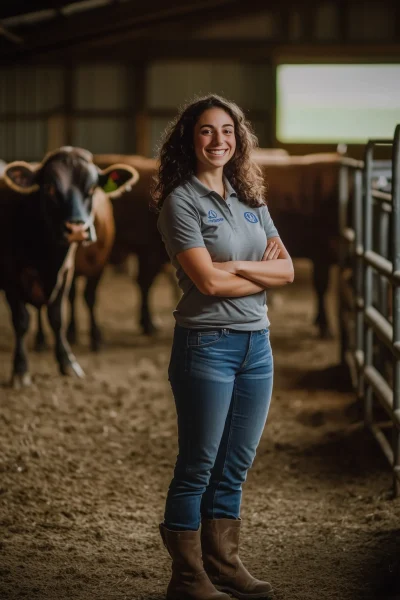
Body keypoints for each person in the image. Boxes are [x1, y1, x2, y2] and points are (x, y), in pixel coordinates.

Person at [153, 95, 294, 600]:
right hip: (206, 345)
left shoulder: (250, 197)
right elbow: (206, 286)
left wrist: (232, 268)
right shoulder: (180, 202)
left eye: (228, 131)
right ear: (190, 140)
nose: (220, 140)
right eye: (208, 132)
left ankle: (224, 564)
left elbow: (289, 271)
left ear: (239, 139)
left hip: (257, 345)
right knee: (198, 464)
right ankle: (188, 578)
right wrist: (255, 275)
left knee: (235, 463)